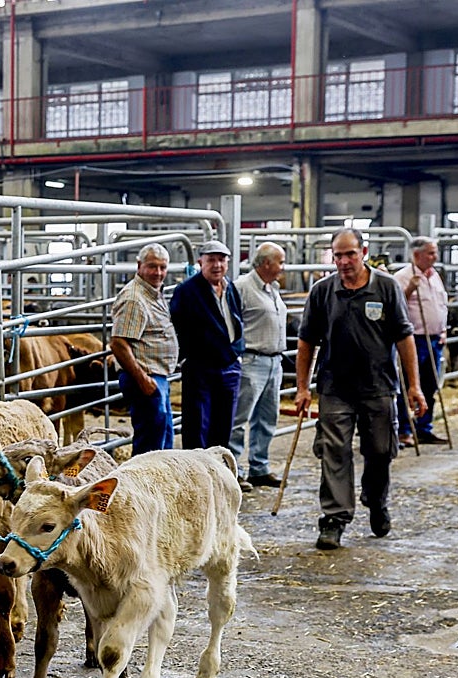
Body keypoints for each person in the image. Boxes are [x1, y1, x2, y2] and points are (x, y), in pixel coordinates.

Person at [295, 227, 426, 551]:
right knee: (334, 452)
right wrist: (301, 388)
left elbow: (404, 337)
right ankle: (335, 519)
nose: (343, 261)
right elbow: (306, 341)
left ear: (363, 252)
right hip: (334, 387)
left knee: (380, 451)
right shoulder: (322, 291)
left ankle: (376, 499)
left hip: (379, 386)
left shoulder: (386, 287)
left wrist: (414, 386)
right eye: (337, 255)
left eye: (350, 254)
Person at [170, 239, 245, 449]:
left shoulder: (230, 288)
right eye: (211, 260)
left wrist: (237, 353)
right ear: (201, 262)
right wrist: (188, 356)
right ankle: (195, 475)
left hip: (229, 366)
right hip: (200, 367)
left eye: (221, 260)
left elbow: (237, 318)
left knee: (223, 426)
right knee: (197, 424)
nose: (217, 265)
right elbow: (178, 325)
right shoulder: (187, 291)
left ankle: (218, 471)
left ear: (228, 263)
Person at [228, 242, 288, 491]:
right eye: (280, 262)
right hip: (252, 359)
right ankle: (234, 471)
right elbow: (231, 322)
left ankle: (259, 467)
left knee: (267, 416)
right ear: (266, 263)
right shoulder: (242, 287)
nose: (283, 267)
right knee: (240, 418)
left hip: (275, 359)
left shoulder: (272, 288)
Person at [110, 243, 179, 454]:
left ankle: (160, 483)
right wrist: (143, 379)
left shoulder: (154, 294)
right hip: (145, 378)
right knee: (151, 441)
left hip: (157, 376)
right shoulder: (134, 298)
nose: (158, 272)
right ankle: (145, 482)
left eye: (162, 267)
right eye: (152, 266)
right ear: (139, 266)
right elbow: (118, 343)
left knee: (163, 435)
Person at [393, 236, 449, 446]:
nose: (435, 257)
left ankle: (423, 428)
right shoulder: (402, 277)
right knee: (408, 385)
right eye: (431, 253)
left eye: (435, 252)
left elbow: (442, 305)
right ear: (417, 255)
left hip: (435, 339)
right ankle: (404, 430)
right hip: (413, 340)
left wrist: (443, 330)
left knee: (430, 385)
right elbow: (395, 308)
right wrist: (409, 290)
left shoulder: (435, 276)